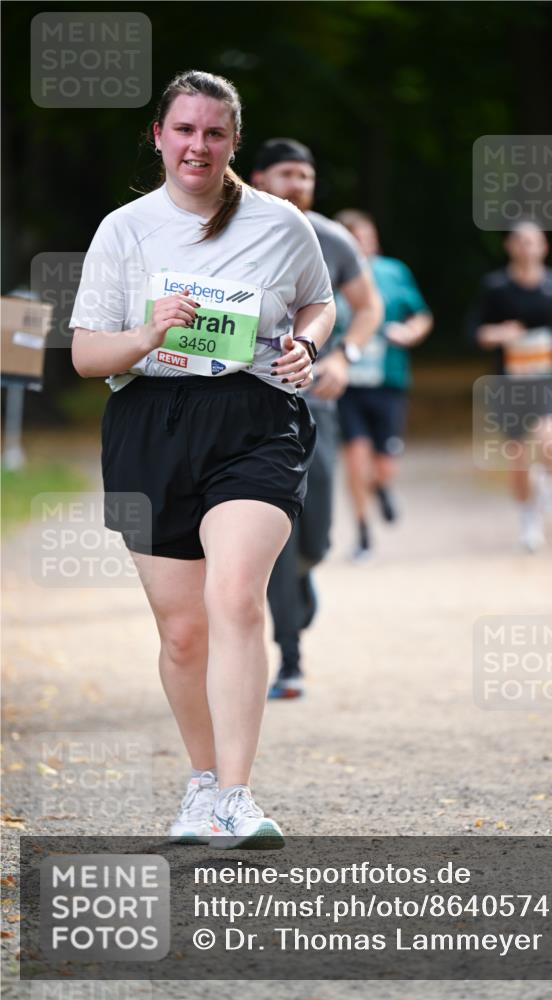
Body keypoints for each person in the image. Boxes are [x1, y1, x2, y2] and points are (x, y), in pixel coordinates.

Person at [69, 71, 335, 848]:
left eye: (213, 133)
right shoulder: (124, 229)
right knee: (183, 630)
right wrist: (147, 334)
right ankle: (200, 784)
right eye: (184, 130)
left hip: (255, 420)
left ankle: (236, 796)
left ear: (232, 143)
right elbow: (87, 355)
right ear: (158, 135)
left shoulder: (280, 222)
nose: (197, 145)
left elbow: (318, 299)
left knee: (235, 596)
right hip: (149, 423)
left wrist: (306, 343)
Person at [251, 140, 382, 698]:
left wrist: (346, 358)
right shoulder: (235, 235)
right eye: (287, 174)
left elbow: (369, 306)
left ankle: (303, 577)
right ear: (258, 178)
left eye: (307, 175)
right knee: (276, 538)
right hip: (251, 408)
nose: (299, 183)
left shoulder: (332, 237)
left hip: (317, 406)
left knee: (315, 541)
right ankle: (290, 657)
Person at [470, 220, 552, 552]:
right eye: (520, 241)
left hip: (550, 378)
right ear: (509, 246)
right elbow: (475, 330)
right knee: (520, 460)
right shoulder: (496, 287)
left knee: (551, 441)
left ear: (544, 247)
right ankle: (528, 518)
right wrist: (496, 334)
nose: (526, 248)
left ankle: (547, 478)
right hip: (510, 385)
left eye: (533, 242)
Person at [334, 210, 433, 560]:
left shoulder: (394, 272)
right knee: (355, 460)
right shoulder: (328, 273)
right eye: (356, 238)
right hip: (345, 383)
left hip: (388, 378)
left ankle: (384, 486)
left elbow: (421, 315)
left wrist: (410, 332)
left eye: (368, 237)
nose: (364, 244)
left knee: (383, 465)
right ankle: (362, 533)